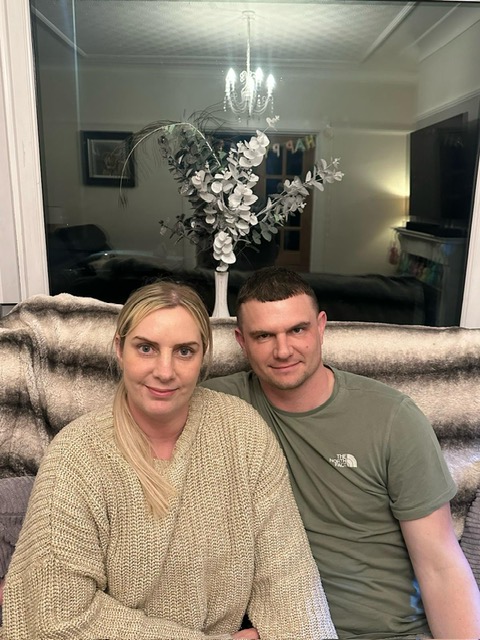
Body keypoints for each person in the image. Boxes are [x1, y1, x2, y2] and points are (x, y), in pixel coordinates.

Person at [2, 281, 337, 640]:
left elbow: (289, 581)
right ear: (120, 349)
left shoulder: (243, 433)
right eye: (146, 348)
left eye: (184, 351)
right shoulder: (77, 455)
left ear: (203, 357)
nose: (165, 371)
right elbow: (57, 617)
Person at [202, 266, 480, 640]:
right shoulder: (218, 405)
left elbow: (441, 565)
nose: (282, 350)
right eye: (264, 336)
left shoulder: (391, 417)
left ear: (321, 327)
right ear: (241, 340)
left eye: (297, 330)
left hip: (389, 633)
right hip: (288, 629)